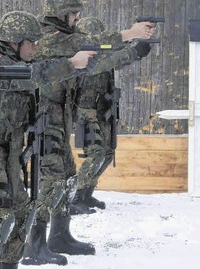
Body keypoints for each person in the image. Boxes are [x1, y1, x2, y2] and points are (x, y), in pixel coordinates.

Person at [0, 11, 98, 269]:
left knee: (22, 211)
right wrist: (71, 64)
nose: (36, 47)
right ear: (14, 41)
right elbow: (31, 75)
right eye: (32, 42)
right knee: (1, 216)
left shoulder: (12, 60)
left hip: (6, 148)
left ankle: (9, 264)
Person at [21, 0, 156, 265]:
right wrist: (130, 35)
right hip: (44, 122)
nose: (76, 18)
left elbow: (96, 61)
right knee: (49, 183)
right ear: (60, 14)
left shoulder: (66, 39)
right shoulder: (48, 37)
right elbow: (90, 43)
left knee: (68, 178)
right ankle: (33, 245)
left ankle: (60, 236)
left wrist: (131, 52)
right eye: (73, 14)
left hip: (58, 120)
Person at [70, 17, 115, 213]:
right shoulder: (78, 59)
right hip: (85, 111)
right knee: (96, 153)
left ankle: (87, 193)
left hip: (102, 110)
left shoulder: (103, 56)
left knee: (108, 153)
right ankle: (77, 196)